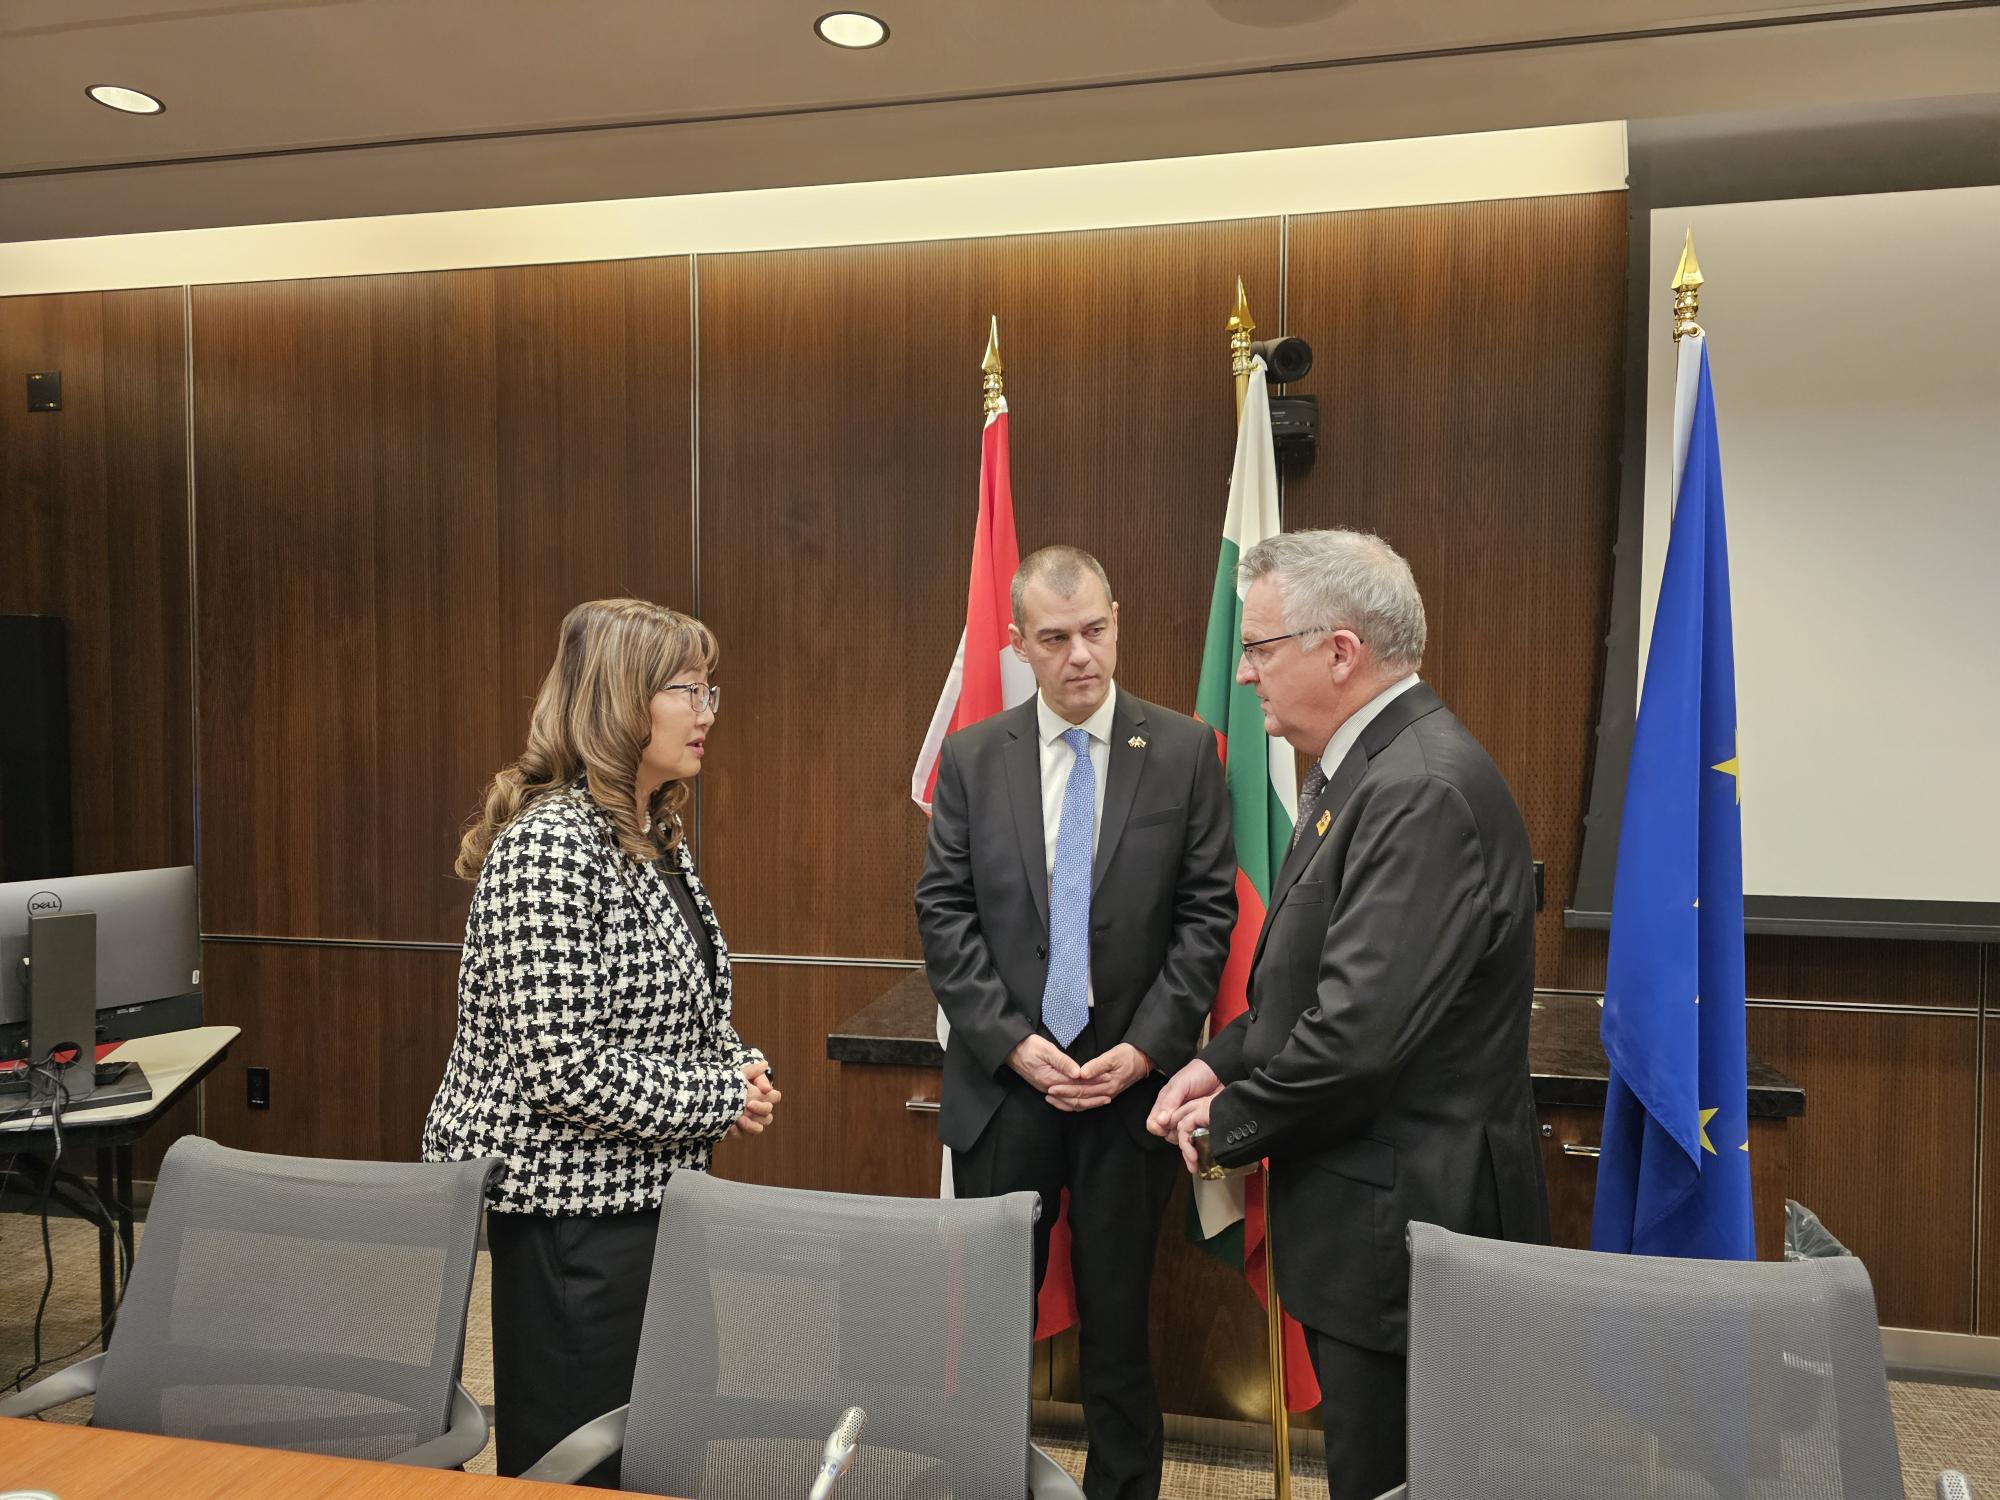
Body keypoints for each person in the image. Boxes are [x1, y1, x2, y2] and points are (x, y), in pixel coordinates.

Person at [1149, 529, 1549, 1500]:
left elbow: (1356, 1039)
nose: (1243, 674)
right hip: (1370, 1224)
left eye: (1259, 647)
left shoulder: (1417, 790)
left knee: (1396, 1479)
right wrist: (1218, 1061)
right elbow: (1304, 988)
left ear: (1339, 651)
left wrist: (1224, 1125)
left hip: (1409, 1236)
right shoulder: (1366, 770)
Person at [422, 597, 779, 1484]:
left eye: (709, 690)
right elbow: (563, 1069)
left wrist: (734, 1060)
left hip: (658, 1199)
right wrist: (719, 1095)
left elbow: (681, 1003)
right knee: (580, 1462)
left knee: (661, 1449)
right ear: (622, 701)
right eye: (685, 690)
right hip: (572, 1222)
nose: (705, 712)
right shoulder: (551, 846)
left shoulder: (650, 833)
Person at [916, 545, 1234, 1500]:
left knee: (1119, 1330)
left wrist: (1144, 1052)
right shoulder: (974, 757)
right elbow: (944, 914)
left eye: (1095, 631)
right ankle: (982, 1486)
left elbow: (1206, 918)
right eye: (1055, 639)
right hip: (1006, 1087)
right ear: (1019, 644)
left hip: (1126, 1091)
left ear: (1117, 621)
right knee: (989, 1329)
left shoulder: (1183, 751)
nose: (1081, 655)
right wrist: (1014, 1043)